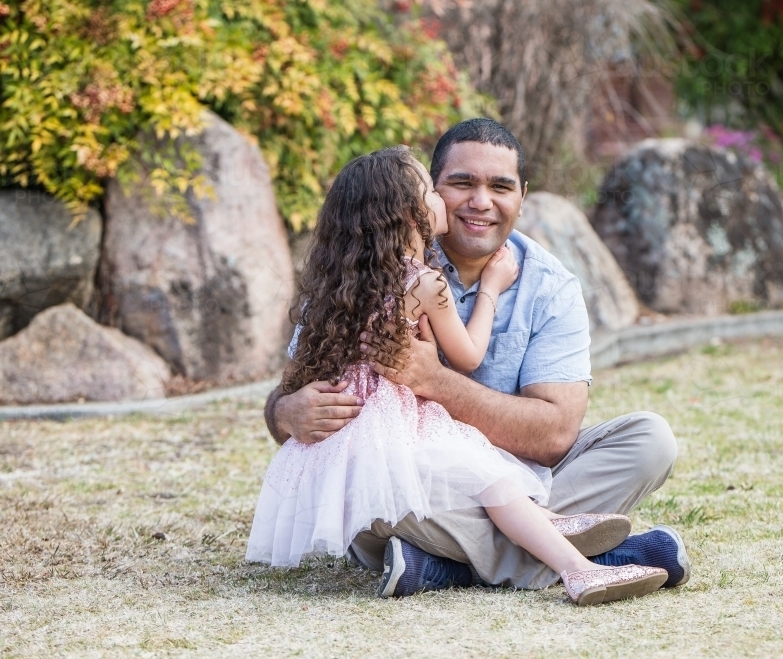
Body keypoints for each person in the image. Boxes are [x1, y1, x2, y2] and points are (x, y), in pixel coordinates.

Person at [264, 119, 690, 596]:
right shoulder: (361, 272)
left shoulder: (550, 287)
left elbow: (553, 436)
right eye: (461, 183)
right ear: (424, 195)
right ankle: (582, 554)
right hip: (409, 481)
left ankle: (444, 567)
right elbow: (295, 384)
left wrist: (434, 381)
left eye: (500, 186)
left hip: (521, 476)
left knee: (650, 440)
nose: (481, 201)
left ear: (522, 196)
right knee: (375, 492)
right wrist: (286, 411)